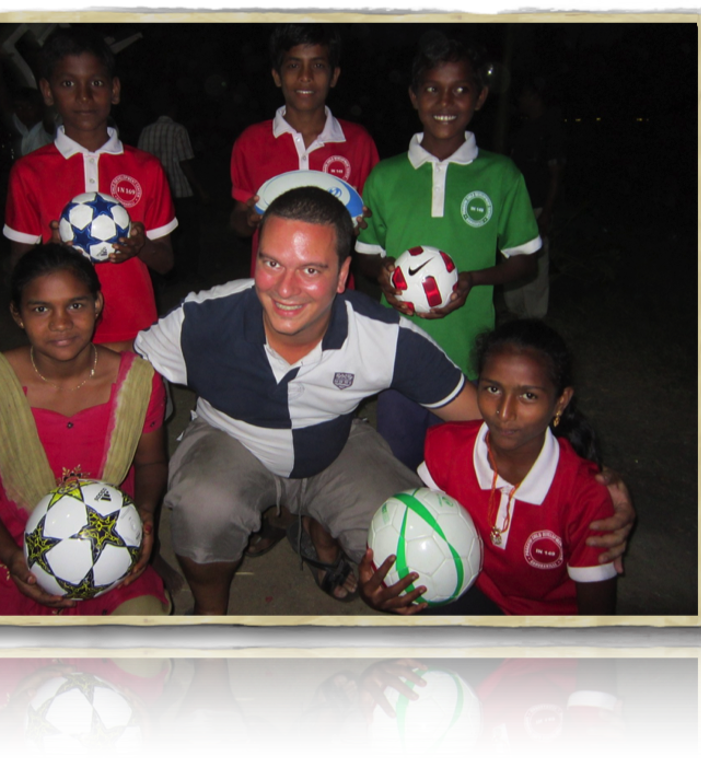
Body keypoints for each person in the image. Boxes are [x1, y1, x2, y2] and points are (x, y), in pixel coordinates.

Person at [133, 186, 633, 616]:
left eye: (311, 269)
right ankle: (210, 619)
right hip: (230, 440)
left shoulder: (384, 336)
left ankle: (315, 530)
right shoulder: (204, 320)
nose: (286, 288)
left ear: (343, 273)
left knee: (419, 544)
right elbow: (119, 379)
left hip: (335, 444)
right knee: (205, 509)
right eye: (272, 262)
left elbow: (488, 410)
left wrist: (587, 476)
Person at [0, 244, 170, 617]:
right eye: (41, 309)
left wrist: (145, 514)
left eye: (75, 305)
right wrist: (12, 557)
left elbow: (151, 462)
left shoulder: (136, 382)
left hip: (104, 535)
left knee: (142, 632)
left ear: (97, 304)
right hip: (9, 539)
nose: (61, 323)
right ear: (18, 314)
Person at [356, 36, 542, 471]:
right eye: (432, 89)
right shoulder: (385, 176)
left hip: (470, 356)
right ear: (414, 96)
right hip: (399, 352)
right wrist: (381, 272)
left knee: (459, 471)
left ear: (480, 97)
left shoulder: (500, 175)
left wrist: (474, 278)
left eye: (460, 89)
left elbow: (525, 259)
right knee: (399, 467)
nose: (445, 102)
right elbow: (366, 254)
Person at [360, 319, 621, 616]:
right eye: (493, 388)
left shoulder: (585, 497)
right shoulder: (446, 447)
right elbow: (420, 538)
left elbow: (597, 623)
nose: (504, 412)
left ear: (561, 402)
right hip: (471, 594)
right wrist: (381, 592)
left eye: (528, 395)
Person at [3, 26, 176, 352]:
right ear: (47, 91)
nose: (84, 96)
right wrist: (50, 252)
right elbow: (18, 268)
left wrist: (139, 246)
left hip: (135, 332)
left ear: (114, 89)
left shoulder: (146, 168)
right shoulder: (29, 173)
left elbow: (166, 261)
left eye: (96, 83)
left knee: (138, 388)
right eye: (68, 83)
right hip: (63, 337)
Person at [229, 23, 380, 277]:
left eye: (318, 65)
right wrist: (248, 220)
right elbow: (238, 220)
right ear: (277, 75)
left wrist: (359, 226)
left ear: (334, 76)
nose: (305, 76)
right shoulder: (251, 142)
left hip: (333, 288)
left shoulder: (358, 143)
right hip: (271, 286)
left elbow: (371, 225)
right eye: (293, 65)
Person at [502, 77, 566, 319]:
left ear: (534, 96)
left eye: (523, 96)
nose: (520, 102)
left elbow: (556, 175)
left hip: (537, 207)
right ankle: (515, 313)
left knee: (535, 262)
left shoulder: (551, 129)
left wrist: (547, 212)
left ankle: (534, 317)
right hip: (515, 208)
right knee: (512, 258)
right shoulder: (522, 130)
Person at [138, 93, 209, 283]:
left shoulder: (146, 131)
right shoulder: (178, 130)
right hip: (180, 191)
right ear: (173, 110)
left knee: (165, 238)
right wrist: (199, 188)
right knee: (190, 234)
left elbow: (140, 164)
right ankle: (190, 273)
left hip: (154, 194)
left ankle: (169, 278)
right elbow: (185, 162)